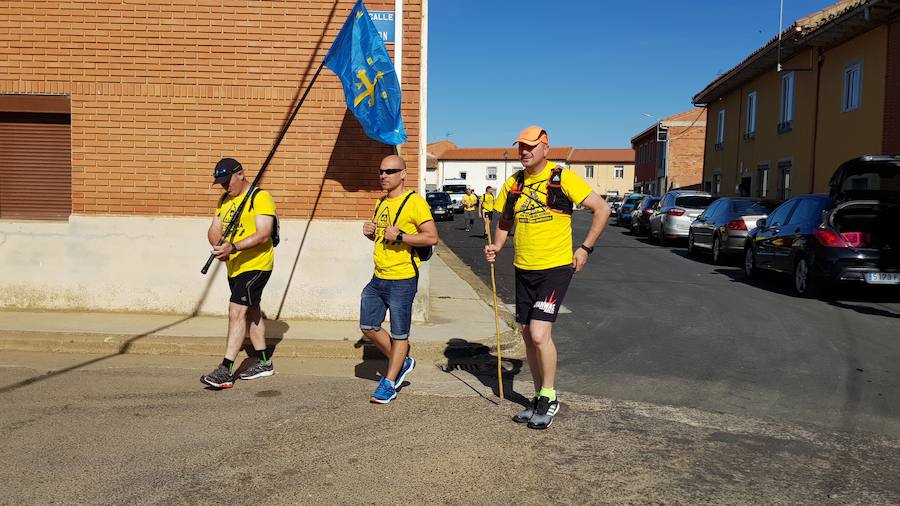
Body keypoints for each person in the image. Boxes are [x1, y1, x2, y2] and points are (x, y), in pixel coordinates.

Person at [484, 126, 611, 429]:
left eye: (529, 147)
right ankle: (538, 396)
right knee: (527, 334)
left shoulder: (561, 178)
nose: (524, 152)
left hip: (554, 268)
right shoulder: (513, 183)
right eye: (520, 147)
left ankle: (550, 397)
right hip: (523, 267)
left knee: (540, 334)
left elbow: (602, 209)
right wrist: (497, 246)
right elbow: (504, 221)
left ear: (545, 148)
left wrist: (584, 249)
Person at [361, 154, 439, 404]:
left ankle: (389, 383)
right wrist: (370, 233)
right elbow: (382, 237)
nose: (384, 175)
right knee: (369, 326)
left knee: (399, 334)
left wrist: (403, 236)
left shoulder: (414, 202)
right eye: (381, 171)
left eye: (390, 171)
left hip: (402, 278)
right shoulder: (380, 203)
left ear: (403, 174)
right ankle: (403, 361)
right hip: (378, 276)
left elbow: (431, 238)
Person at [201, 157, 277, 389]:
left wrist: (233, 247)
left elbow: (264, 233)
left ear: (241, 174)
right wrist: (219, 246)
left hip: (256, 264)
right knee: (252, 312)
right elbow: (215, 229)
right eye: (221, 183)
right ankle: (264, 363)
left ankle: (225, 368)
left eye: (227, 181)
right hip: (234, 266)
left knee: (236, 311)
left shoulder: (260, 197)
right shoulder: (224, 200)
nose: (225, 186)